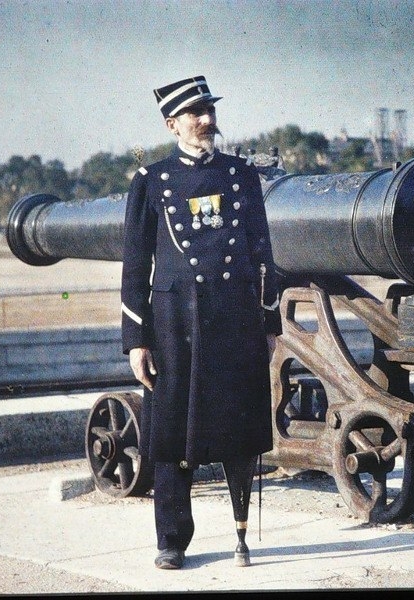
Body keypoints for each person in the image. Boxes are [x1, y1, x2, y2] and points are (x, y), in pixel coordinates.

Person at [120, 75, 282, 570]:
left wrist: (269, 321)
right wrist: (135, 340)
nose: (207, 120)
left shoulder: (241, 176)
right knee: (171, 432)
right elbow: (134, 265)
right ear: (173, 124)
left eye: (209, 110)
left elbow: (262, 253)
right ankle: (171, 539)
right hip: (174, 322)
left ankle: (240, 530)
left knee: (238, 426)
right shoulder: (150, 181)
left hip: (234, 318)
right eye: (195, 113)